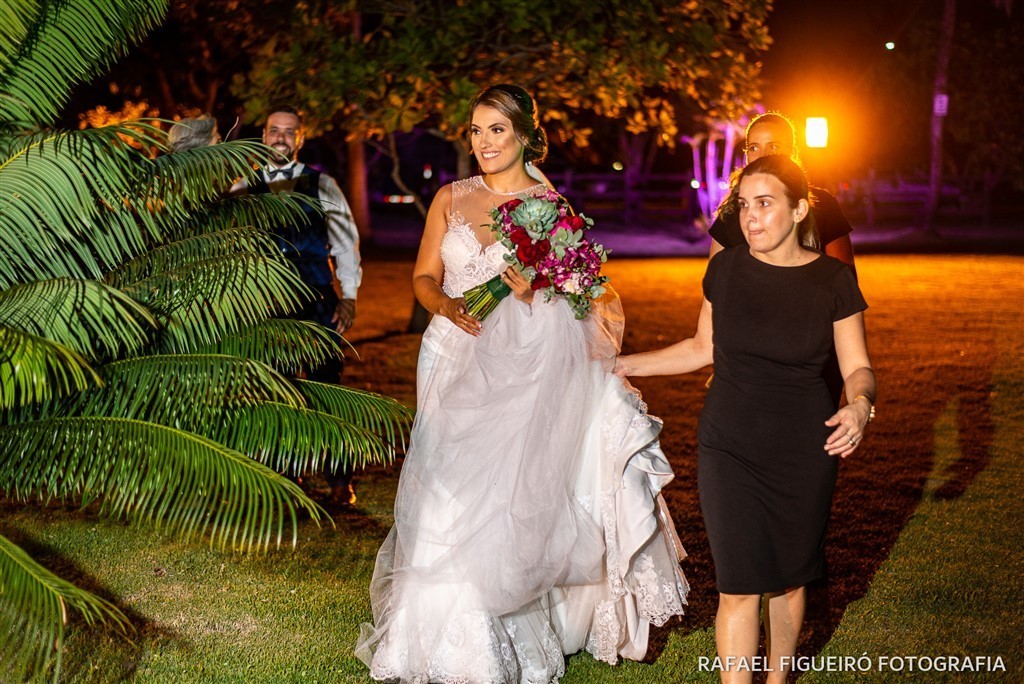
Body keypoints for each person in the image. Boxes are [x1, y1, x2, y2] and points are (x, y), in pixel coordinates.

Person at [356, 84, 689, 683]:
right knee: (443, 482)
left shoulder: (549, 207)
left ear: (523, 136)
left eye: (496, 131)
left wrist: (529, 291)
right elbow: (424, 276)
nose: (483, 143)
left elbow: (577, 300)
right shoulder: (449, 198)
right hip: (448, 353)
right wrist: (446, 307)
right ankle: (421, 633)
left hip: (519, 365)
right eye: (476, 131)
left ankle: (493, 625)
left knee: (505, 488)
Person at [616, 155, 876, 683]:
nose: (751, 217)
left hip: (805, 447)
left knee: (789, 580)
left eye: (765, 204)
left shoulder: (832, 281)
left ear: (800, 209)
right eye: (743, 205)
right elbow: (700, 347)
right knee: (736, 584)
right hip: (728, 443)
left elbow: (859, 368)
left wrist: (859, 404)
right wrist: (619, 364)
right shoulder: (726, 268)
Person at [232, 105, 362, 507]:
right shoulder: (242, 189)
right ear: (263, 134)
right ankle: (287, 477)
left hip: (317, 300)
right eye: (274, 130)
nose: (280, 138)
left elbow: (345, 242)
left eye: (289, 132)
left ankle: (339, 480)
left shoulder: (323, 185)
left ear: (300, 138)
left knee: (326, 392)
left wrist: (350, 296)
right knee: (275, 391)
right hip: (265, 308)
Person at [709, 112, 856, 274]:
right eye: (754, 148)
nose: (762, 155)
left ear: (792, 152)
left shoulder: (823, 204)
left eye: (773, 146)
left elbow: (845, 279)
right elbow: (715, 283)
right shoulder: (732, 210)